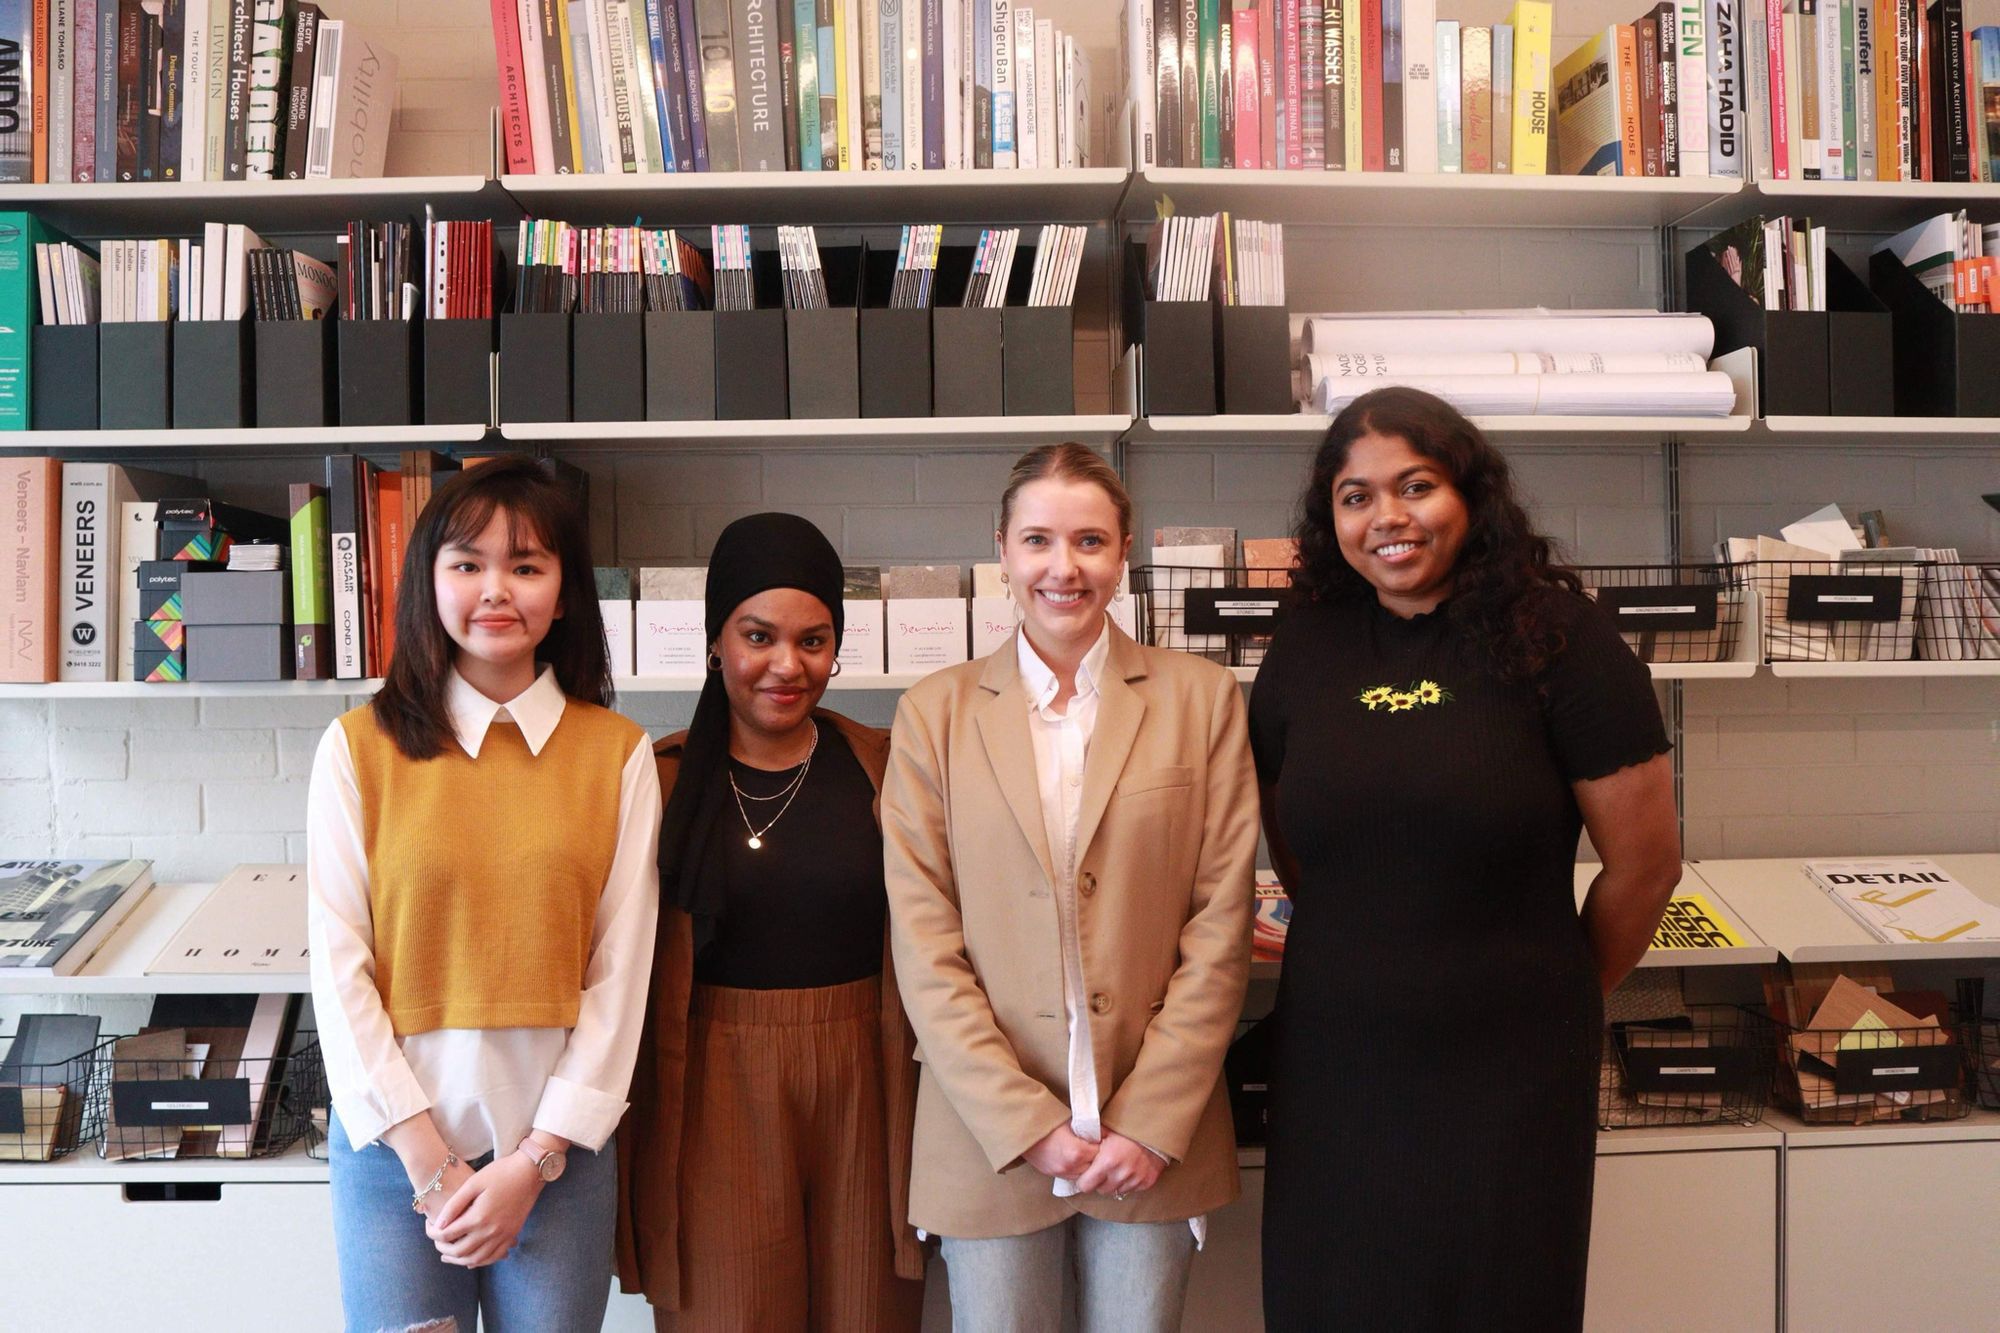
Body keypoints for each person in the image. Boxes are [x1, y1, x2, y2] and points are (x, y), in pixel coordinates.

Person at [1251, 387, 1682, 1331]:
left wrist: (1554, 984)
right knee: (1334, 1297)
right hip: (1338, 1059)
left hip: (1510, 1065)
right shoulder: (1308, 641)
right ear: (1331, 517)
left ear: (1472, 496)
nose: (1388, 517)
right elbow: (1291, 828)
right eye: (1356, 495)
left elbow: (1646, 865)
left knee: (1496, 1299)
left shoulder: (1565, 639)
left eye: (1417, 485)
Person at [882, 444, 1259, 1332]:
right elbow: (924, 940)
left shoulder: (1200, 700)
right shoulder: (933, 713)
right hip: (991, 1140)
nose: (1064, 566)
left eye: (1089, 540)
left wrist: (1152, 1119)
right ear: (1003, 551)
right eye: (1039, 540)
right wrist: (1024, 1123)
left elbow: (1222, 920)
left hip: (1150, 1133)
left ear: (1123, 550)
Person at [307, 456, 661, 1332]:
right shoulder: (359, 747)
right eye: (467, 564)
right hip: (393, 1156)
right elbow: (339, 964)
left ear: (564, 593)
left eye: (527, 566)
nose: (495, 590)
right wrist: (429, 1163)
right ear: (428, 581)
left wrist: (534, 1160)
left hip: (557, 1160)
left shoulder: (616, 753)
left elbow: (621, 976)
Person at [615, 512, 926, 1331]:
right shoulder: (659, 782)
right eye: (759, 635)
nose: (788, 666)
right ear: (717, 640)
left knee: (870, 1313)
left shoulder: (885, 763)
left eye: (815, 640)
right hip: (714, 1083)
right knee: (729, 1313)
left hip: (871, 1073)